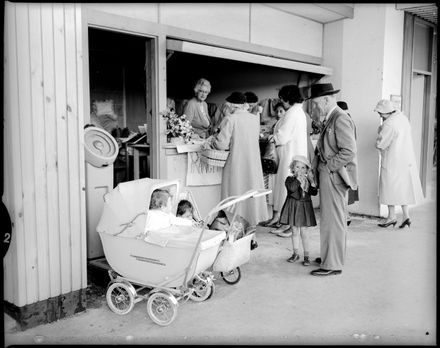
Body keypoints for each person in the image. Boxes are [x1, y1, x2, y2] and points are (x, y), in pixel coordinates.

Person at [309, 83, 358, 276]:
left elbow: (349, 151)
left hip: (334, 176)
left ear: (327, 100)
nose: (315, 107)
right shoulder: (332, 118)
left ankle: (333, 264)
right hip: (330, 175)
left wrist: (328, 167)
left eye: (317, 103)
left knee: (333, 220)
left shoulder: (340, 118)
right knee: (329, 219)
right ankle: (330, 256)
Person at [212, 91, 269, 226]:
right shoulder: (254, 119)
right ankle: (251, 230)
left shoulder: (230, 119)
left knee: (234, 195)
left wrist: (213, 140)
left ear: (231, 105)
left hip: (236, 163)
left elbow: (221, 144)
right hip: (253, 163)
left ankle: (236, 227)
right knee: (250, 195)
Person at [263, 85, 308, 237]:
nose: (281, 101)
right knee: (292, 190)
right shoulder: (299, 112)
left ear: (288, 99)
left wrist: (271, 138)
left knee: (289, 190)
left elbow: (282, 137)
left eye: (282, 99)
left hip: (291, 156)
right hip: (296, 155)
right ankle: (287, 223)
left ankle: (290, 225)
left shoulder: (292, 114)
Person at [374, 99, 424, 228]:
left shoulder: (388, 124)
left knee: (389, 188)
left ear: (386, 112)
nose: (380, 115)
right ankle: (406, 216)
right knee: (403, 187)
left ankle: (391, 217)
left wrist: (379, 133)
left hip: (392, 160)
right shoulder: (403, 119)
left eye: (380, 113)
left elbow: (381, 143)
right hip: (405, 159)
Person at [279, 156, 317, 266]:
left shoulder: (308, 181)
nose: (300, 170)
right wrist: (299, 180)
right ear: (293, 168)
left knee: (304, 233)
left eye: (303, 167)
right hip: (293, 207)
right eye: (297, 167)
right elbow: (291, 189)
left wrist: (312, 182)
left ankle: (306, 256)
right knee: (294, 232)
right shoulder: (290, 180)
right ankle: (295, 253)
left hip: (304, 208)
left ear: (307, 170)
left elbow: (314, 193)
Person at [337, 101, 359, 226]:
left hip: (346, 161)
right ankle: (346, 215)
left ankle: (345, 216)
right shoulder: (349, 119)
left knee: (344, 190)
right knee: (346, 189)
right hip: (350, 160)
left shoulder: (343, 120)